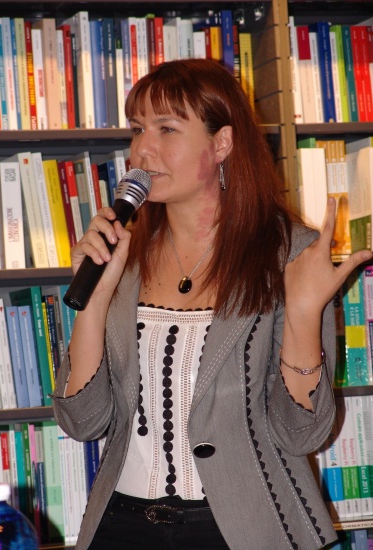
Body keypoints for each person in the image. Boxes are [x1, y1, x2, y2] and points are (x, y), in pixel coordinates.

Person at [52, 58, 372, 550]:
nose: (142, 150)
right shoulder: (121, 255)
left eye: (167, 129)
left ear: (221, 143)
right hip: (120, 524)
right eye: (137, 129)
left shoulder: (290, 255)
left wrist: (304, 314)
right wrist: (93, 300)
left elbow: (302, 434)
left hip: (246, 528)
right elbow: (82, 422)